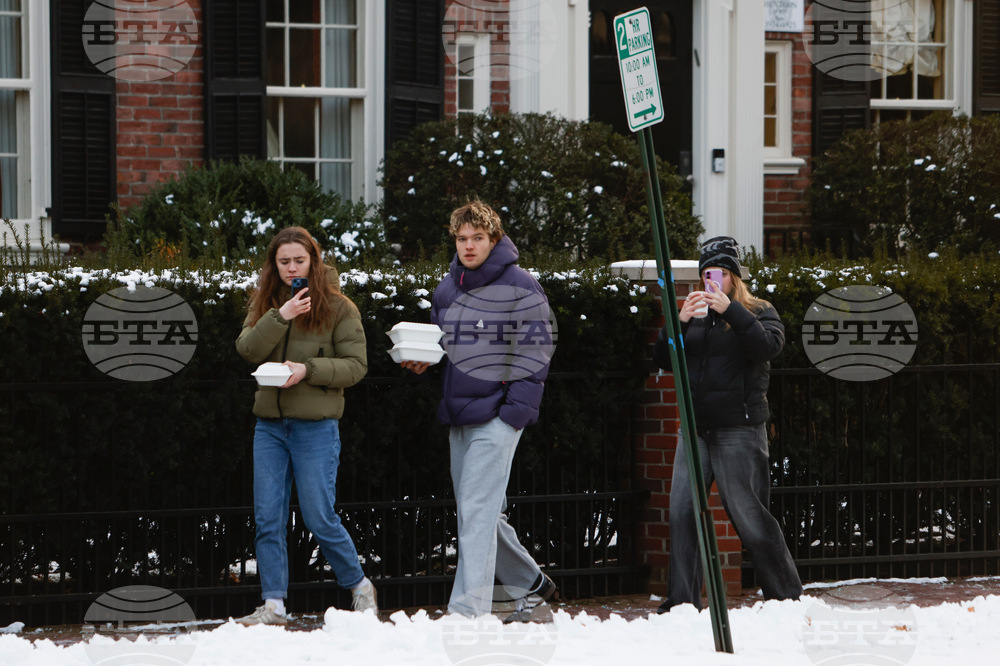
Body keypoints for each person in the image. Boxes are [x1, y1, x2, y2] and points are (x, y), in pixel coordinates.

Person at [402, 200, 558, 619]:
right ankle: (530, 583)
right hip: (459, 416)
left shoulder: (521, 285)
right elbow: (445, 346)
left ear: (494, 238)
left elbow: (536, 352)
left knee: (476, 509)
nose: (469, 246)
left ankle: (467, 612)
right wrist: (424, 358)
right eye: (462, 238)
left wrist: (514, 415)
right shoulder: (448, 286)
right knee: (483, 511)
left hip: (498, 416)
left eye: (477, 238)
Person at [235, 226, 377, 625]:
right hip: (270, 428)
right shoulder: (266, 301)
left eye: (299, 260)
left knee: (318, 516)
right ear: (273, 264)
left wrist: (307, 369)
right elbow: (247, 349)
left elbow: (357, 367)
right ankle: (274, 605)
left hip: (315, 428)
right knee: (268, 517)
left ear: (314, 260)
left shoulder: (338, 307)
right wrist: (280, 316)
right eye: (284, 262)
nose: (291, 268)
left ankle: (360, 587)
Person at [653, 236, 801, 612]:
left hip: (739, 428)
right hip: (696, 430)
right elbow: (664, 359)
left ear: (733, 276)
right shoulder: (696, 316)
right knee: (682, 512)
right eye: (705, 274)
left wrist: (733, 311)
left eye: (718, 272)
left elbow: (767, 347)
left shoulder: (758, 310)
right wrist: (679, 322)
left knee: (749, 515)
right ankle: (683, 603)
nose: (711, 280)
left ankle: (786, 597)